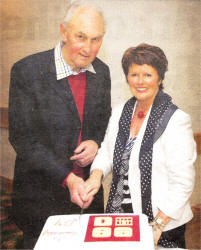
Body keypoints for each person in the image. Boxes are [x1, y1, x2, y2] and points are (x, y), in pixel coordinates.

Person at [9, 1, 111, 249]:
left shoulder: (103, 72)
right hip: (41, 199)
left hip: (87, 196)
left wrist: (95, 142)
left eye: (96, 39)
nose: (88, 48)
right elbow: (23, 139)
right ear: (63, 31)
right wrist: (67, 178)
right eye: (81, 36)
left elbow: (104, 120)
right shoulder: (27, 71)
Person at [84, 43, 196, 249]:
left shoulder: (176, 120)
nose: (140, 82)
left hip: (163, 219)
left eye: (148, 75)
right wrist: (95, 176)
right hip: (120, 214)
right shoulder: (120, 112)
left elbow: (183, 182)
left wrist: (158, 224)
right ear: (127, 77)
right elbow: (107, 151)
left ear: (160, 78)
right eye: (134, 75)